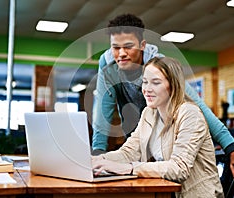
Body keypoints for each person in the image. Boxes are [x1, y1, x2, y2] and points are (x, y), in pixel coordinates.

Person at [91, 13, 234, 177]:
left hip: (169, 138)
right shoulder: (109, 64)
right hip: (138, 132)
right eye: (116, 47)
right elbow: (103, 111)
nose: (121, 53)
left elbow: (198, 105)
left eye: (128, 46)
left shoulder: (162, 67)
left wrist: (231, 147)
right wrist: (97, 156)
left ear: (142, 46)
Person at [92, 57, 224, 197]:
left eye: (155, 83)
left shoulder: (190, 114)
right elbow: (129, 152)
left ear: (173, 85)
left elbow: (179, 168)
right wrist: (99, 161)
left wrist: (129, 168)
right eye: (145, 82)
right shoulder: (149, 113)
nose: (147, 89)